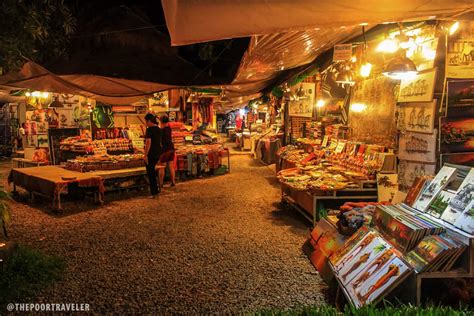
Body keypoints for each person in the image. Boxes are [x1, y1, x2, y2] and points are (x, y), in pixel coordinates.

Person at [144, 113, 162, 198]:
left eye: (146, 122)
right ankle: (156, 191)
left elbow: (148, 142)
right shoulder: (158, 129)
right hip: (158, 153)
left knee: (151, 173)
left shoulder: (149, 130)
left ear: (149, 121)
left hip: (151, 154)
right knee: (153, 173)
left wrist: (145, 155)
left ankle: (154, 193)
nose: (146, 123)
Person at [158, 116, 176, 187]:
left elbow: (159, 142)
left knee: (162, 166)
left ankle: (161, 183)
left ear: (161, 122)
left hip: (165, 150)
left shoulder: (161, 130)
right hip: (171, 148)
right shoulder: (169, 129)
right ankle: (173, 182)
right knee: (171, 166)